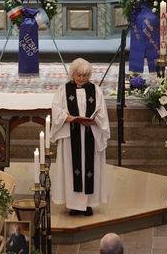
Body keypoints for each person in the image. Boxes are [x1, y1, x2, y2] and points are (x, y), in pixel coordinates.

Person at [50, 58, 110, 216]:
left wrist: (95, 119)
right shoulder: (64, 90)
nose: (82, 78)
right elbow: (56, 109)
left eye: (85, 75)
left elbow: (102, 112)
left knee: (90, 168)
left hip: (91, 133)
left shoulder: (95, 90)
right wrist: (67, 117)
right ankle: (73, 204)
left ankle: (88, 204)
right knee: (71, 168)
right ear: (72, 74)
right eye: (79, 75)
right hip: (71, 135)